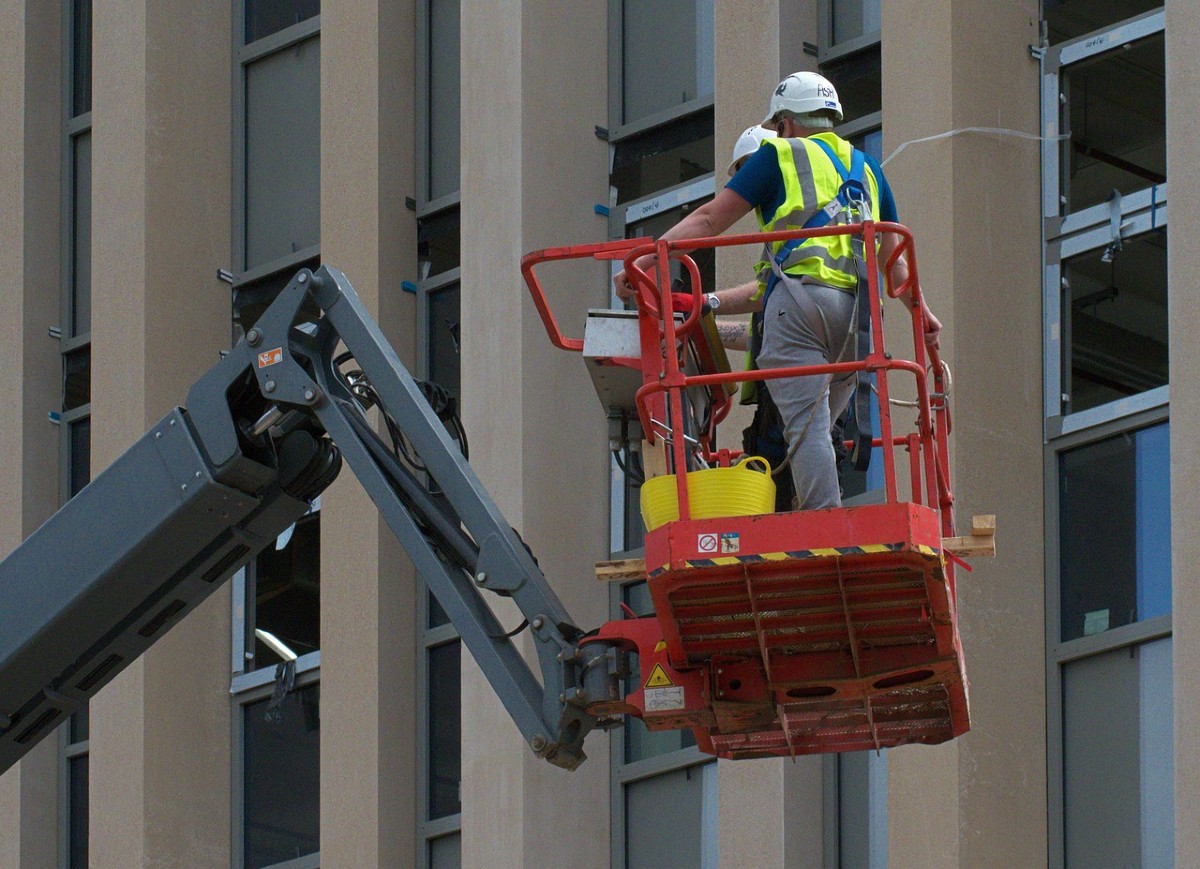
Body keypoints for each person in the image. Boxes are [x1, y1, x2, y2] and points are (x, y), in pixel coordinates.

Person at [616, 71, 941, 511]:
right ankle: (824, 513)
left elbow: (711, 220)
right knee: (818, 430)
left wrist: (647, 258)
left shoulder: (778, 156)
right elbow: (894, 262)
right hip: (860, 324)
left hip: (803, 310)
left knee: (806, 431)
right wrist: (921, 315)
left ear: (786, 121)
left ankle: (826, 522)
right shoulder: (869, 170)